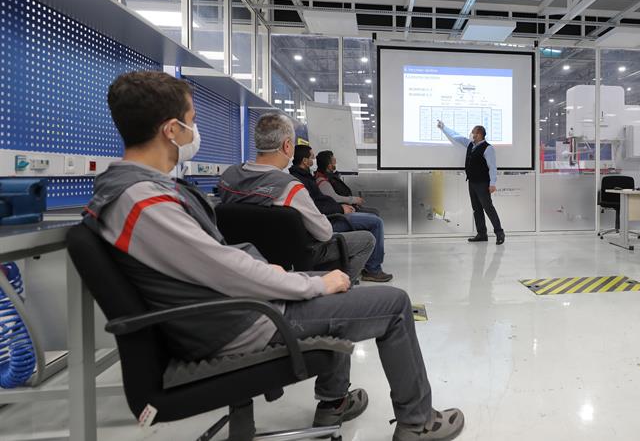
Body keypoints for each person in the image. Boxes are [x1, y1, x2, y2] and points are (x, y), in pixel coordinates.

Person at [83, 71, 464, 440]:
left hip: (224, 309)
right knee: (394, 304)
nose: (195, 130)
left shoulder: (125, 191)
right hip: (241, 319)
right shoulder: (145, 202)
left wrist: (285, 275)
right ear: (171, 130)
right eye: (192, 120)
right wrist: (308, 284)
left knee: (336, 286)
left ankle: (335, 401)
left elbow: (209, 261)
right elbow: (226, 269)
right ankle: (416, 423)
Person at [217, 114, 375, 283]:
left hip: (244, 261)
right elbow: (325, 233)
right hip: (293, 259)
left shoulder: (228, 178)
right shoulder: (290, 187)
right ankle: (339, 287)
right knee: (367, 240)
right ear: (287, 145)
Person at [292, 145, 393, 282]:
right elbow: (319, 206)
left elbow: (324, 201)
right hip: (331, 219)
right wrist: (341, 208)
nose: (314, 159)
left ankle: (371, 263)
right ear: (304, 161)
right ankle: (373, 269)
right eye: (311, 157)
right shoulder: (305, 181)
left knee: (374, 216)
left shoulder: (306, 177)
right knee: (376, 222)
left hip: (332, 214)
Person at [436, 120, 505, 245]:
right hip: (472, 182)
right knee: (476, 209)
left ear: (479, 134)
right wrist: (444, 128)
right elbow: (456, 136)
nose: (471, 134)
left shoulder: (488, 148)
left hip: (483, 183)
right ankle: (482, 234)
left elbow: (492, 167)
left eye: (473, 132)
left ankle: (499, 232)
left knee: (488, 208)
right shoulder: (470, 144)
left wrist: (492, 183)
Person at [314, 150, 380, 216]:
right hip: (342, 211)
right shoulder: (322, 181)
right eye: (333, 161)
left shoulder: (329, 177)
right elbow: (335, 198)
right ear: (329, 166)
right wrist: (354, 200)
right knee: (374, 214)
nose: (336, 162)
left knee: (375, 211)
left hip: (347, 206)